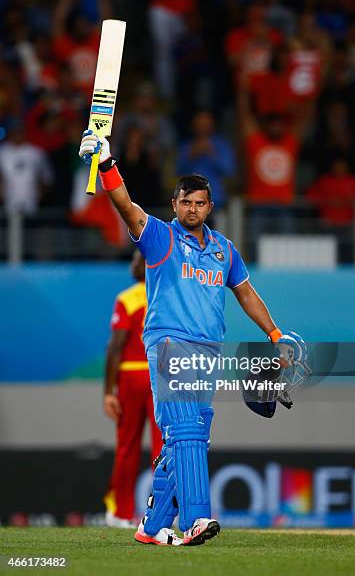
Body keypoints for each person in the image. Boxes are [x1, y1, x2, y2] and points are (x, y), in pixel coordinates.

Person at [79, 130, 306, 547]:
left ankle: (151, 526)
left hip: (207, 350)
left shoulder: (223, 249)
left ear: (209, 207)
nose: (192, 208)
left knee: (191, 433)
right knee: (186, 431)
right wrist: (107, 164)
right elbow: (126, 208)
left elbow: (246, 294)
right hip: (169, 343)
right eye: (185, 202)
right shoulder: (160, 237)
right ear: (174, 204)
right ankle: (197, 520)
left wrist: (273, 332)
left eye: (199, 203)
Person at [104, 250, 163, 528]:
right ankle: (162, 511)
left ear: (145, 265)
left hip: (130, 375)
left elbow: (115, 346)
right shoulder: (166, 295)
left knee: (127, 446)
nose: (133, 264)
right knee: (162, 448)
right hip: (161, 375)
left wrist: (108, 391)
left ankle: (120, 512)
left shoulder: (127, 298)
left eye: (136, 260)